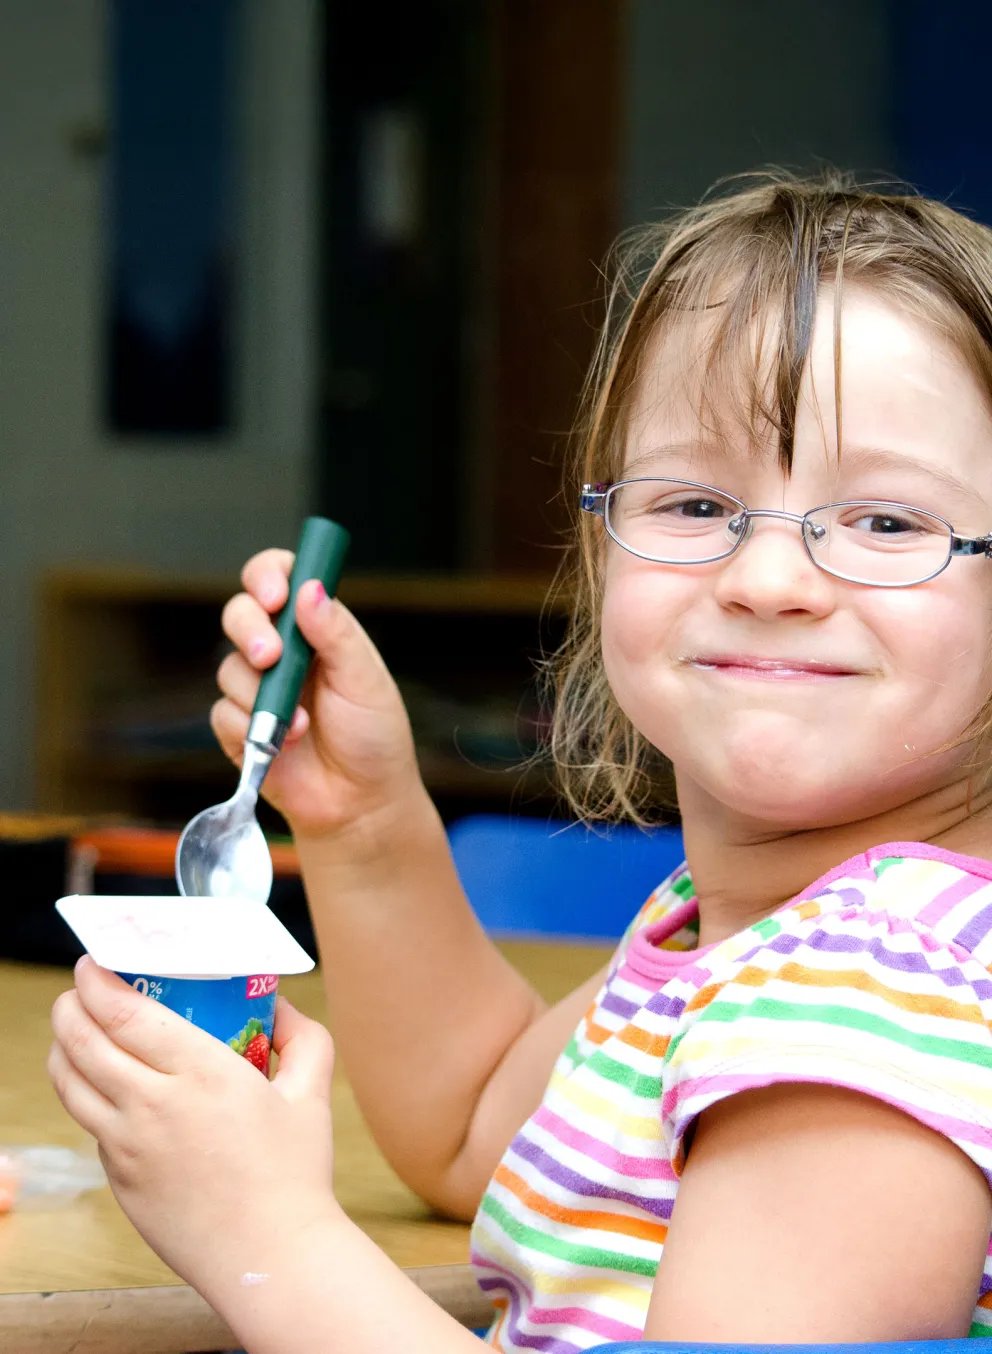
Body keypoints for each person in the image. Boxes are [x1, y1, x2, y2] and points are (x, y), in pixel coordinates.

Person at [49, 172, 992, 1352]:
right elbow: (467, 1123)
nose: (765, 580)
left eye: (886, 523)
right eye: (694, 504)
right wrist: (363, 816)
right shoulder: (764, 931)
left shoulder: (863, 999)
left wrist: (260, 1231)